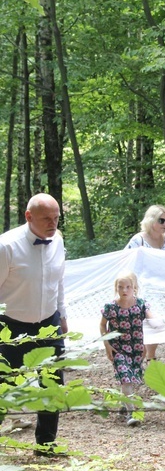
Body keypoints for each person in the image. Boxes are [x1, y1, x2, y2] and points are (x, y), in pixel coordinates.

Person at [0, 193, 67, 455]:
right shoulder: (7, 246)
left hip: (48, 323)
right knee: (5, 384)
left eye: (56, 218)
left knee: (53, 382)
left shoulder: (58, 239)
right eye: (46, 219)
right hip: (10, 326)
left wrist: (62, 314)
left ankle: (46, 444)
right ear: (29, 217)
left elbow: (59, 280)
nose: (53, 223)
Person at [100, 271, 165, 427]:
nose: (124, 290)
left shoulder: (140, 305)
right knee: (125, 377)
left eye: (128, 287)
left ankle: (123, 404)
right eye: (121, 287)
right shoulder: (110, 307)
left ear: (134, 288)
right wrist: (107, 344)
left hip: (137, 348)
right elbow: (102, 324)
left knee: (131, 380)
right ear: (116, 288)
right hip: (118, 348)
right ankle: (131, 412)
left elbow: (152, 320)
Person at [124, 204, 165, 363]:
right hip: (141, 288)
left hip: (159, 288)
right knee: (140, 324)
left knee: (156, 322)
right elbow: (127, 263)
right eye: (161, 220)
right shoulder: (138, 240)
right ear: (152, 221)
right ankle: (139, 357)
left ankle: (151, 356)